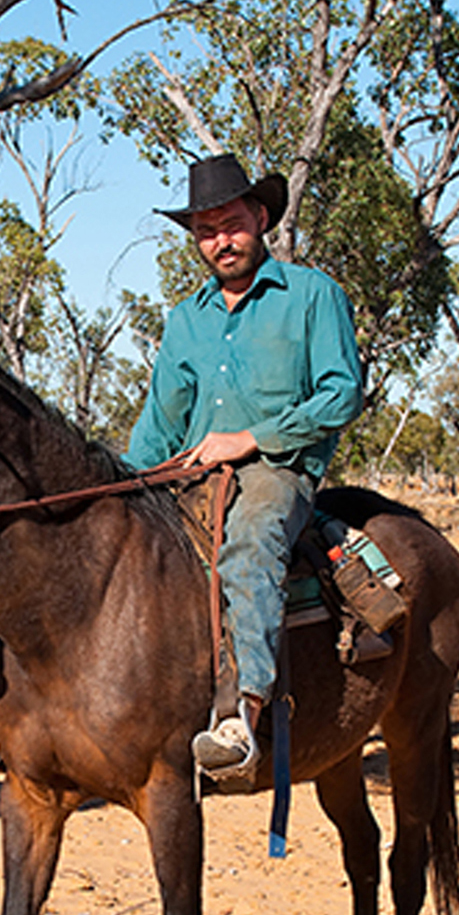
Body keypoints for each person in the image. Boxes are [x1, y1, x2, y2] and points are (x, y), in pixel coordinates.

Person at [125, 152, 363, 775]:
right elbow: (161, 423)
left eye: (230, 224)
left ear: (261, 217)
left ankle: (241, 716)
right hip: (191, 472)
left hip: (276, 471)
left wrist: (249, 438)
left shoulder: (312, 295)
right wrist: (121, 486)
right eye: (205, 231)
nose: (219, 242)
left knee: (250, 542)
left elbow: (341, 394)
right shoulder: (186, 320)